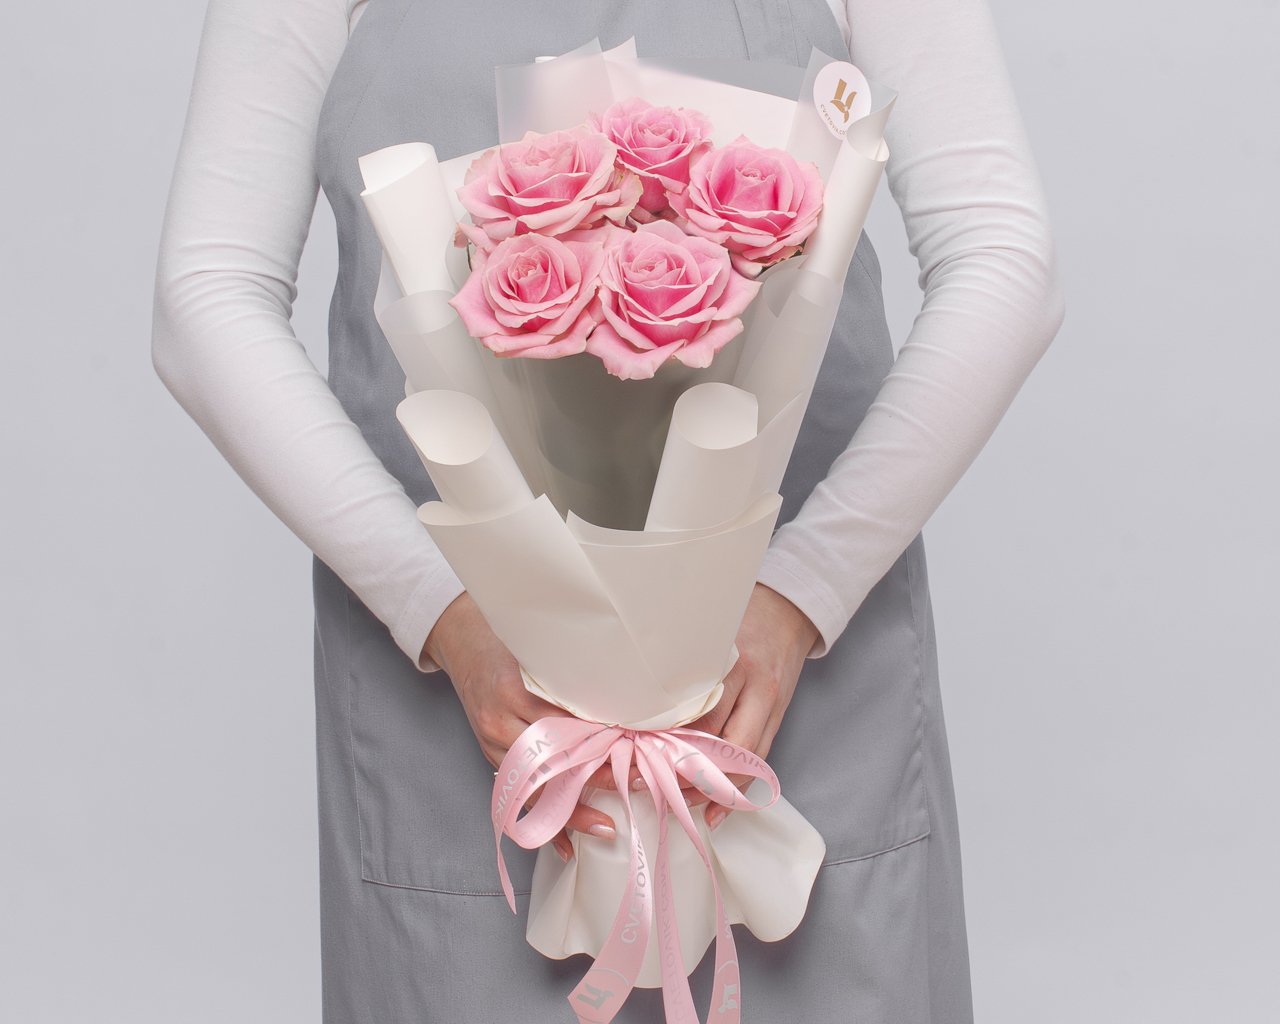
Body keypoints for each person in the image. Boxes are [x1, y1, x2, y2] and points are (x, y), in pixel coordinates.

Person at [151, 0, 1065, 1020]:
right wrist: (438, 609)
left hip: (797, 677)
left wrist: (804, 588)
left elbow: (1002, 257)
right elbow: (207, 293)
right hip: (458, 690)